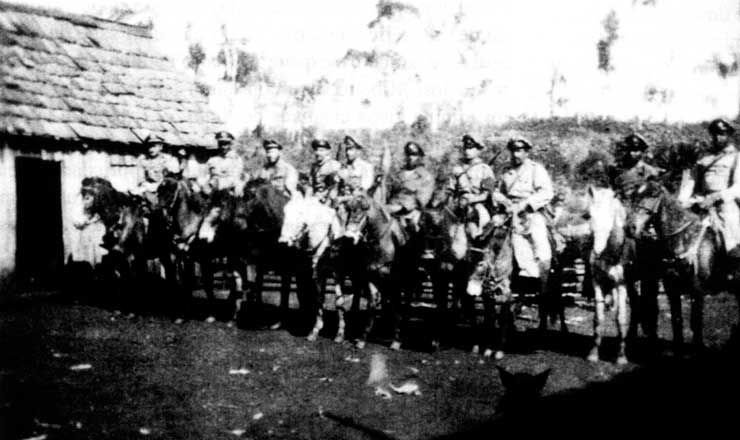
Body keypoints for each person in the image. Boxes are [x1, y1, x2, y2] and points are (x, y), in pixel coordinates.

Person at [611, 133, 662, 343]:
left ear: (643, 151)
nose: (633, 153)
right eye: (630, 149)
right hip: (625, 224)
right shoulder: (619, 173)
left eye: (637, 150)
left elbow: (656, 199)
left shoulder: (650, 172)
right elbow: (615, 196)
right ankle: (632, 326)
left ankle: (651, 330)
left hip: (646, 227)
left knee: (650, 286)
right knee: (629, 284)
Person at [678, 118, 740, 258]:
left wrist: (716, 197)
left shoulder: (737, 157)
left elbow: (738, 187)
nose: (718, 137)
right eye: (715, 134)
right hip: (700, 199)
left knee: (732, 236)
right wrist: (683, 200)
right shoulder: (705, 157)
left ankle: (733, 267)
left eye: (722, 134)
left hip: (724, 203)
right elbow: (692, 180)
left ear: (729, 135)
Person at [492, 137, 554, 278]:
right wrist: (503, 201)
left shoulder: (535, 169)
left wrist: (525, 205)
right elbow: (497, 191)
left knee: (539, 238)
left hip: (530, 211)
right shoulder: (505, 171)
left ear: (526, 152)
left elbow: (546, 192)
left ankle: (542, 269)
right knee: (490, 235)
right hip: (508, 211)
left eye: (519, 151)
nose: (516, 154)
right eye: (513, 150)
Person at [449, 134, 495, 239]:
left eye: (471, 147)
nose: (467, 151)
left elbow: (486, 195)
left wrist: (471, 200)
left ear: (478, 149)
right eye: (465, 147)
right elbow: (450, 190)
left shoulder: (485, 169)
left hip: (475, 206)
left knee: (475, 231)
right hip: (457, 204)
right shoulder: (457, 168)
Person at [388, 141, 435, 234]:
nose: (410, 158)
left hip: (412, 212)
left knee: (413, 229)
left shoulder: (425, 176)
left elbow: (422, 200)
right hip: (391, 208)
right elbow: (389, 192)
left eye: (414, 155)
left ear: (420, 157)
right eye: (408, 154)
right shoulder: (398, 174)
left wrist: (402, 207)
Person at [132, 134, 180, 204]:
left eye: (154, 146)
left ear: (161, 147)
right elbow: (140, 179)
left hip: (164, 189)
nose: (151, 149)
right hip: (148, 187)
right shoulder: (143, 160)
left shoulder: (168, 160)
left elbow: (174, 178)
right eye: (149, 146)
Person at [206, 131, 246, 196]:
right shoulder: (212, 160)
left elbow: (235, 178)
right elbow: (207, 175)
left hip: (230, 193)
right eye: (221, 144)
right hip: (214, 193)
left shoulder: (236, 159)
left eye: (226, 144)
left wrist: (221, 182)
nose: (223, 147)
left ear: (230, 144)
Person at [308, 139, 342, 203]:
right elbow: (310, 185)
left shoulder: (334, 165)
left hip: (329, 199)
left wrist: (323, 196)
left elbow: (335, 187)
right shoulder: (314, 166)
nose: (318, 153)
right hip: (316, 198)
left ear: (328, 152)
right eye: (316, 150)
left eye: (321, 150)